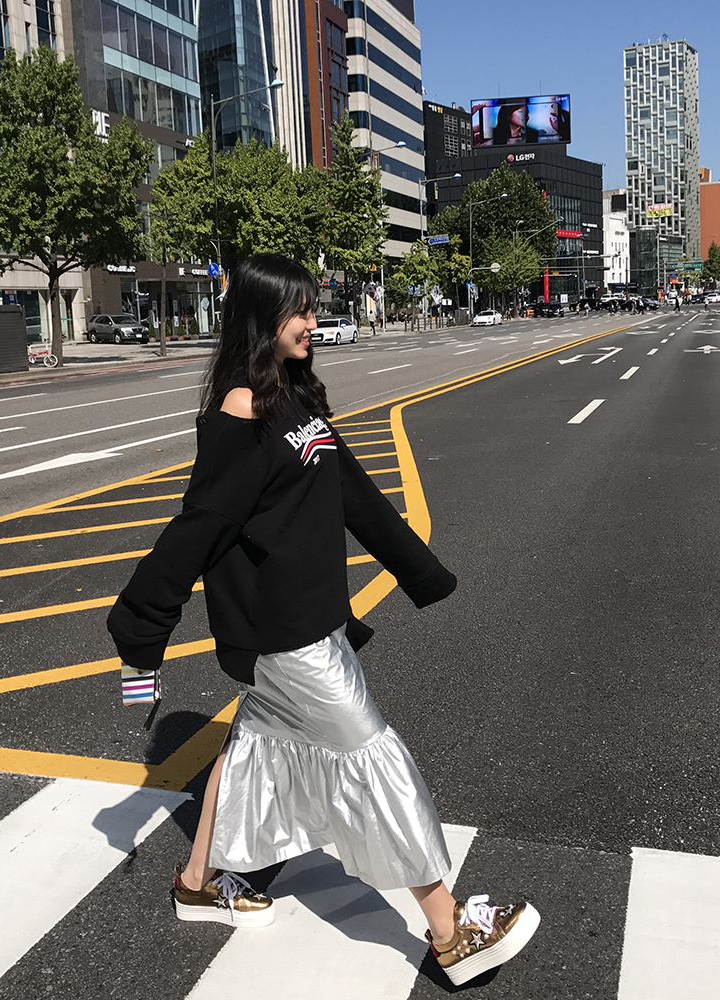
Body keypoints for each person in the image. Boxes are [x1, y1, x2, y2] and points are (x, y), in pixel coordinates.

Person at [107, 254, 540, 987]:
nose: (314, 321)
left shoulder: (293, 396)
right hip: (283, 637)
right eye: (300, 311)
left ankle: (197, 883)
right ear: (260, 316)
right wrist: (142, 638)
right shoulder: (240, 415)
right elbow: (197, 530)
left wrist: (419, 570)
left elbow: (353, 491)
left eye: (314, 307)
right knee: (375, 762)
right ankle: (449, 931)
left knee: (248, 750)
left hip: (313, 621)